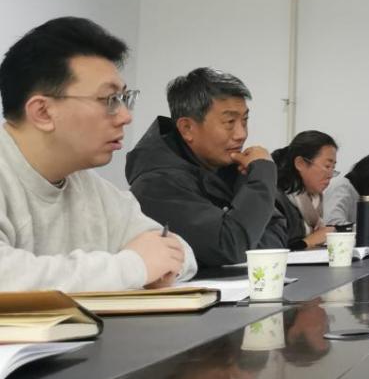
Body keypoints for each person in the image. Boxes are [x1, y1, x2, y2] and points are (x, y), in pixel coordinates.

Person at [0, 17, 195, 291]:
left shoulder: (89, 186)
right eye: (109, 100)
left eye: (125, 98)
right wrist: (133, 267)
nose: (125, 117)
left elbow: (177, 250)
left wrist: (159, 265)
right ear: (43, 112)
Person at [126, 67, 288, 268]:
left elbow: (278, 230)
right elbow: (229, 246)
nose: (241, 134)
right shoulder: (157, 185)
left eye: (245, 121)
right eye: (229, 122)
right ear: (187, 128)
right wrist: (262, 174)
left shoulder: (230, 168)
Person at [272, 130, 337, 250]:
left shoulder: (315, 199)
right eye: (327, 166)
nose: (330, 175)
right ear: (300, 163)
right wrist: (309, 242)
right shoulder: (275, 200)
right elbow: (272, 250)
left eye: (333, 168)